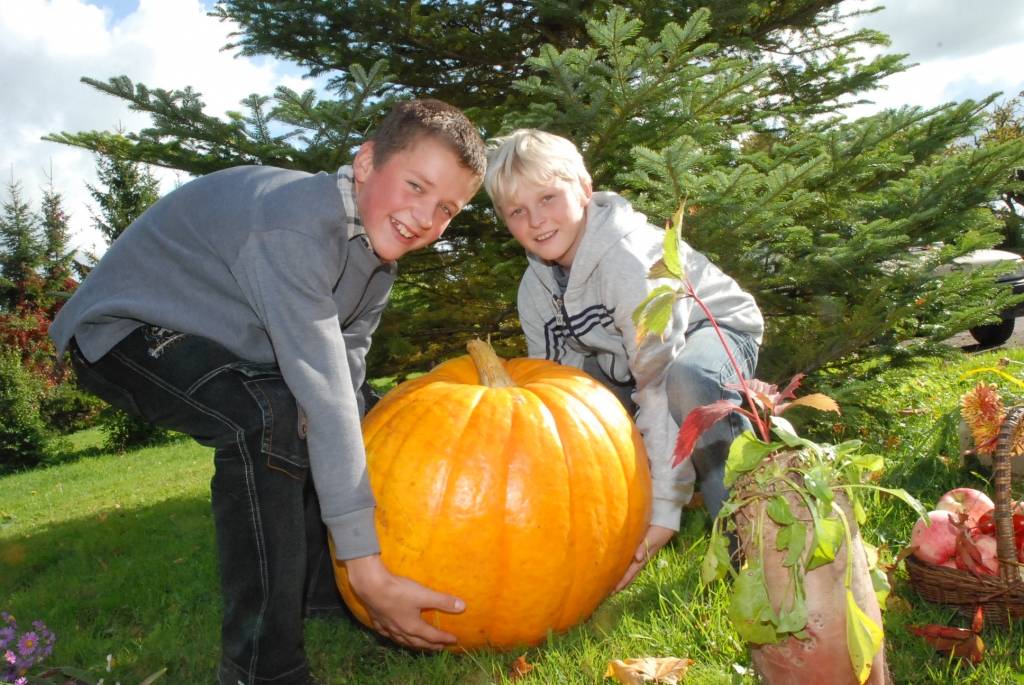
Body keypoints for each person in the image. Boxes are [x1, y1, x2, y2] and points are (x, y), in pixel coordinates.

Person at [49, 99, 486, 685]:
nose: (426, 218)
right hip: (122, 332)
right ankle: (263, 669)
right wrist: (367, 568)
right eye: (416, 186)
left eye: (447, 209)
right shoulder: (296, 226)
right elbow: (322, 394)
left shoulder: (376, 262)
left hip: (221, 337)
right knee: (267, 418)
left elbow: (345, 379)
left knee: (367, 416)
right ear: (365, 163)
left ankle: (325, 596)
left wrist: (361, 434)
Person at [483, 129, 764, 591]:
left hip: (713, 333)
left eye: (548, 198)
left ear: (584, 188)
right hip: (632, 361)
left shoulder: (626, 260)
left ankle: (751, 553)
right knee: (581, 408)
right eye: (517, 211)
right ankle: (597, 543)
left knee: (690, 383)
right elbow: (551, 395)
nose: (536, 220)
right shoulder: (534, 291)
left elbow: (657, 380)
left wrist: (664, 511)